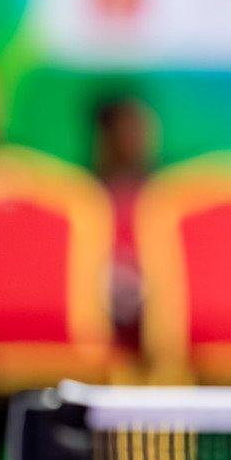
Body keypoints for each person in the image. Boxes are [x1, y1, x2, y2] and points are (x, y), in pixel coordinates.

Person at [91, 97, 159, 349]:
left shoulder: (162, 195)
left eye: (140, 127)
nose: (137, 137)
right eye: (127, 128)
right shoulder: (84, 198)